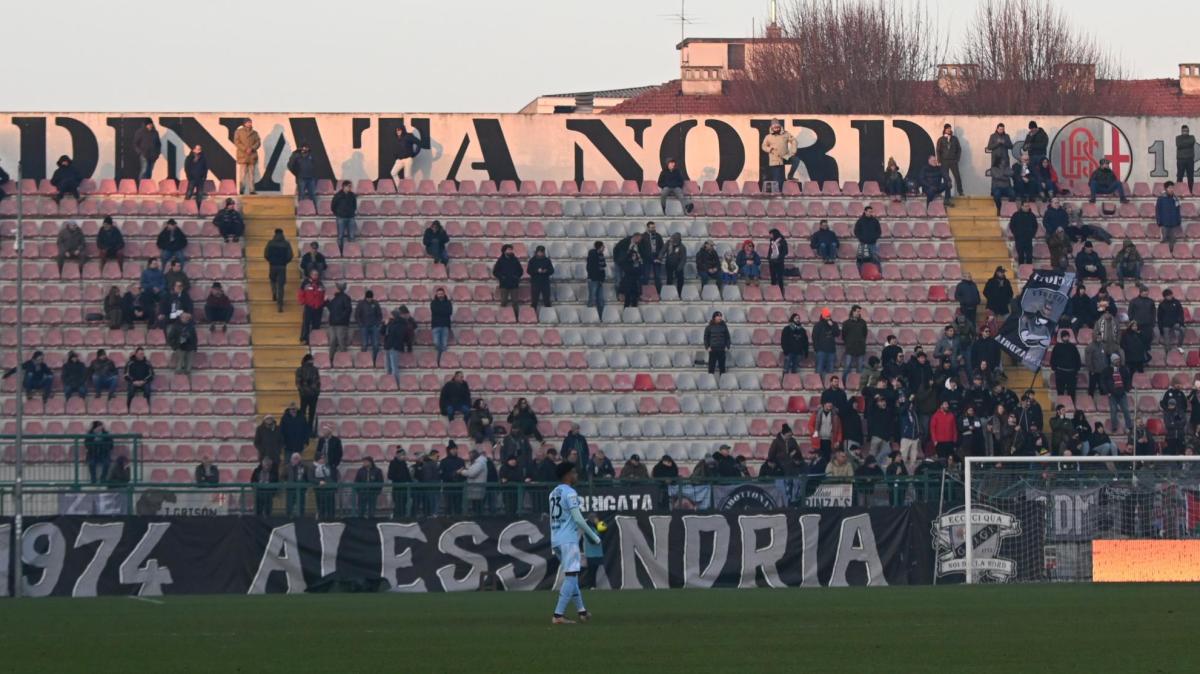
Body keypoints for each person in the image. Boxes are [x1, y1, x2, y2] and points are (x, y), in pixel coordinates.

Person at [549, 461, 602, 624]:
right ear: (567, 475)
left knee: (571, 577)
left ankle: (582, 611)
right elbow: (578, 519)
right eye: (574, 472)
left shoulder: (553, 493)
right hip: (568, 539)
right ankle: (558, 615)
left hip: (556, 539)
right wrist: (594, 536)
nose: (576, 475)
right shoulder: (570, 493)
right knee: (571, 576)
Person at [259, 229, 293, 313]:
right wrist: (285, 262)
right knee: (281, 286)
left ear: (275, 234)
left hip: (273, 266)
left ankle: (274, 292)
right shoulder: (286, 243)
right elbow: (290, 256)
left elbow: (266, 254)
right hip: (282, 267)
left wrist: (271, 261)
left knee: (272, 280)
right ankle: (280, 305)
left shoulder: (270, 243)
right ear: (282, 234)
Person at [1101, 353, 1134, 434]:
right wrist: (1107, 391)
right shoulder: (1107, 370)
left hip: (1122, 393)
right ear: (1112, 361)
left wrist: (1127, 388)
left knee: (1126, 410)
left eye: (1118, 359)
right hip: (1112, 394)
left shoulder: (1123, 369)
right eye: (1116, 360)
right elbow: (1103, 381)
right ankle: (1114, 427)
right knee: (1113, 411)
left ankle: (1129, 425)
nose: (1118, 361)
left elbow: (1127, 379)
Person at [761, 119, 795, 192]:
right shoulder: (768, 137)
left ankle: (790, 176)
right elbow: (763, 146)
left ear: (780, 126)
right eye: (774, 127)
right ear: (772, 127)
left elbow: (794, 141)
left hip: (785, 157)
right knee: (778, 179)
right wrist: (770, 149)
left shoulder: (786, 134)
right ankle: (779, 193)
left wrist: (792, 151)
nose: (776, 128)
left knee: (796, 161)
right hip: (775, 160)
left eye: (777, 127)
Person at [326, 180, 359, 254]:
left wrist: (352, 212)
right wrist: (338, 213)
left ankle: (351, 252)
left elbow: (354, 205)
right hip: (341, 217)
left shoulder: (352, 195)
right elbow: (333, 206)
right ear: (344, 186)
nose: (350, 188)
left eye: (351, 186)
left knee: (352, 236)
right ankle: (340, 252)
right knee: (340, 236)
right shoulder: (338, 195)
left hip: (351, 217)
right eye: (349, 186)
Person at [493, 244, 524, 321]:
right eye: (508, 250)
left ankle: (516, 318)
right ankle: (502, 318)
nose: (510, 251)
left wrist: (516, 277)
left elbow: (521, 271)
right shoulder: (500, 260)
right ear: (504, 251)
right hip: (504, 285)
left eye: (511, 249)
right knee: (503, 302)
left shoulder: (515, 260)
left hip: (514, 284)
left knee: (515, 302)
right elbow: (495, 272)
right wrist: (502, 277)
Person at [353, 289, 384, 366]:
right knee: (364, 344)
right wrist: (361, 325)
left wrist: (377, 324)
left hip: (374, 326)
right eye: (368, 298)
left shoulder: (375, 303)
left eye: (370, 298)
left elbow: (379, 315)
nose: (369, 299)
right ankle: (363, 361)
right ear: (366, 297)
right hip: (364, 327)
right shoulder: (361, 304)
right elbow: (357, 315)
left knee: (376, 344)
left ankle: (375, 360)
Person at [297, 270, 325, 345]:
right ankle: (304, 339)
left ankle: (314, 340)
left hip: (318, 308)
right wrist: (303, 302)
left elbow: (323, 295)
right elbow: (301, 293)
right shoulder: (305, 283)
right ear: (311, 275)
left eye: (317, 275)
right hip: (309, 307)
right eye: (314, 274)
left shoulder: (320, 284)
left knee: (316, 325)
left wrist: (322, 303)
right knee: (306, 324)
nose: (316, 276)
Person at [294, 353, 321, 431]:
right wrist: (315, 391)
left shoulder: (313, 369)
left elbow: (317, 382)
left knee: (308, 412)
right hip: (308, 394)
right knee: (306, 412)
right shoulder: (301, 370)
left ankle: (307, 428)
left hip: (309, 394)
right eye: (311, 359)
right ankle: (306, 428)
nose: (312, 361)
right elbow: (298, 383)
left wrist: (316, 392)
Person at [812, 308, 840, 384]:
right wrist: (817, 349)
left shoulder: (834, 324)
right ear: (823, 316)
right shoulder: (818, 325)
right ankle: (818, 384)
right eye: (827, 316)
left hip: (831, 351)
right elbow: (814, 338)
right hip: (821, 351)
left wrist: (832, 326)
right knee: (819, 369)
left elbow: (837, 334)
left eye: (829, 316)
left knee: (830, 370)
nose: (828, 317)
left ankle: (829, 385)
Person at [234, 119, 261, 195]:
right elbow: (237, 142)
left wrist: (252, 148)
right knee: (242, 175)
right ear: (244, 123)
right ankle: (241, 190)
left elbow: (258, 142)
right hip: (243, 156)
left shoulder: (255, 133)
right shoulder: (239, 132)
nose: (250, 124)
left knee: (251, 175)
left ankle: (252, 190)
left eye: (250, 122)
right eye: (248, 122)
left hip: (252, 156)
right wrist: (245, 149)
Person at [325, 282, 353, 357]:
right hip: (334, 323)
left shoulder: (345, 298)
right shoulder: (336, 298)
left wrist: (341, 318)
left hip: (340, 324)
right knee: (333, 342)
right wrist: (326, 301)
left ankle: (343, 359)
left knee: (341, 342)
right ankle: (331, 359)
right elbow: (331, 308)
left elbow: (348, 310)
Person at [936, 124, 963, 196]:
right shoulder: (941, 139)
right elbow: (938, 150)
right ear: (945, 129)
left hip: (953, 161)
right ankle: (948, 195)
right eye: (947, 129)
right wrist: (939, 160)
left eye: (950, 129)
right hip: (944, 161)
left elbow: (959, 149)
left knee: (957, 176)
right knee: (946, 178)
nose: (949, 130)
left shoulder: (954, 139)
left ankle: (960, 192)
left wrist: (957, 159)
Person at [1008, 201, 1039, 265]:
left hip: (1028, 239)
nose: (1027, 207)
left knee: (1029, 257)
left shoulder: (1032, 215)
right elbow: (1012, 225)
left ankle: (1029, 270)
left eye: (1028, 206)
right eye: (1025, 206)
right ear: (1022, 206)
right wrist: (1016, 234)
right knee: (1021, 256)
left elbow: (1035, 226)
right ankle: (1021, 269)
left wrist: (1032, 234)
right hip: (1019, 239)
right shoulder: (1016, 215)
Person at [1158, 288, 1186, 355]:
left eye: (1170, 295)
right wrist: (1161, 328)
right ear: (1165, 297)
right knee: (1166, 336)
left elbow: (1181, 313)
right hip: (1166, 324)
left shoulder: (1177, 302)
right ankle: (1168, 351)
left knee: (1183, 329)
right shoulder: (1162, 304)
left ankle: (1179, 345)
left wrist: (1181, 322)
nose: (1170, 296)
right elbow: (1159, 317)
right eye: (1168, 296)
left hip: (1175, 323)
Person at [1157, 180, 1183, 252]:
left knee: (1173, 241)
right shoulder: (1161, 198)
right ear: (1166, 189)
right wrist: (1159, 222)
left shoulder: (1175, 198)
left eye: (1172, 188)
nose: (1172, 189)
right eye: (1170, 188)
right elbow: (1158, 211)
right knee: (1163, 241)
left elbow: (1178, 210)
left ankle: (1171, 253)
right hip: (1164, 224)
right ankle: (1163, 254)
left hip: (1173, 223)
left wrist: (1178, 220)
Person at [527, 245, 555, 312]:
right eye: (539, 252)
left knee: (547, 300)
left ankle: (548, 314)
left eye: (542, 252)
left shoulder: (547, 260)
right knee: (534, 301)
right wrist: (537, 271)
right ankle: (533, 314)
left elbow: (552, 271)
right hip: (535, 282)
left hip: (545, 282)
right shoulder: (532, 260)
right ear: (536, 252)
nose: (540, 253)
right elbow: (529, 271)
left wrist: (546, 271)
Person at [639, 221, 665, 292]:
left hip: (657, 258)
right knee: (645, 276)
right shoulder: (643, 236)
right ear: (647, 228)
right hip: (647, 259)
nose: (653, 229)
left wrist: (659, 258)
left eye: (654, 227)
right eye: (652, 227)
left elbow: (662, 248)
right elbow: (641, 250)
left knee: (658, 277)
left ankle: (659, 292)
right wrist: (651, 259)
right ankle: (644, 292)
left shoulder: (658, 236)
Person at [704, 311, 731, 377]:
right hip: (713, 350)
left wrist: (727, 346)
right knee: (711, 368)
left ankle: (723, 381)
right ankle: (710, 381)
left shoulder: (724, 327)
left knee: (722, 368)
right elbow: (705, 338)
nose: (720, 317)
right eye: (718, 316)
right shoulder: (709, 327)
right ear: (714, 317)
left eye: (720, 316)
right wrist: (707, 347)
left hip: (722, 349)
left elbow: (728, 337)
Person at [387, 447, 412, 518]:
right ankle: (397, 517)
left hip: (405, 488)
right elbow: (390, 475)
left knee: (404, 503)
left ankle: (403, 517)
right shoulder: (393, 463)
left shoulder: (404, 463)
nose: (403, 456)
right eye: (402, 454)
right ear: (397, 455)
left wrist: (409, 481)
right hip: (397, 487)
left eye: (404, 454)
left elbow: (407, 475)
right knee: (398, 503)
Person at [430, 287, 453, 365]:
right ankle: (438, 359)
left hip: (445, 326)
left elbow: (449, 312)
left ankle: (441, 361)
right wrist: (444, 311)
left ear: (444, 294)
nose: (440, 295)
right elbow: (435, 311)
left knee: (444, 344)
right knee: (436, 343)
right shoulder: (433, 303)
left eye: (441, 294)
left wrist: (440, 311)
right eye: (439, 294)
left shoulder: (448, 302)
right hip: (436, 325)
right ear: (436, 294)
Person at [312, 453, 337, 520]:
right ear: (317, 459)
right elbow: (311, 478)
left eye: (324, 458)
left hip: (329, 490)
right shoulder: (313, 467)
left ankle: (331, 519)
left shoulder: (328, 466)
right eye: (321, 458)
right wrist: (319, 482)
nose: (323, 459)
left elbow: (332, 476)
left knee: (330, 506)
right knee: (321, 506)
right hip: (320, 490)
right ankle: (321, 519)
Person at [464, 449, 489, 514]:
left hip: (477, 488)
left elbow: (471, 473)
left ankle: (479, 517)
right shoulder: (477, 462)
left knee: (478, 507)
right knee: (476, 506)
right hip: (475, 488)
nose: (469, 457)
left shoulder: (479, 463)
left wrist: (462, 472)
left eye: (470, 455)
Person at [284, 453, 310, 518]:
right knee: (289, 503)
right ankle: (289, 516)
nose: (296, 460)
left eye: (297, 458)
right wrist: (286, 482)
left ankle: (301, 516)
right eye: (294, 458)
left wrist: (305, 486)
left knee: (301, 504)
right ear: (291, 459)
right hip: (290, 489)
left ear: (300, 459)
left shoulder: (304, 467)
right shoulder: (287, 467)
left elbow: (307, 477)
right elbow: (282, 476)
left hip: (301, 489)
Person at [662, 233, 686, 297]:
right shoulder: (668, 243)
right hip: (669, 264)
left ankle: (679, 293)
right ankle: (669, 293)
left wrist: (679, 268)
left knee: (680, 279)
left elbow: (683, 259)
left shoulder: (682, 247)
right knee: (669, 279)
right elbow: (663, 251)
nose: (673, 242)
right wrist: (659, 258)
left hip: (678, 265)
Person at [586, 241, 607, 311]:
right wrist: (591, 277)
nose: (604, 247)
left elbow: (603, 267)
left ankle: (601, 316)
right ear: (600, 247)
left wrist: (602, 279)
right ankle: (589, 315)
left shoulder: (601, 255)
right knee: (592, 299)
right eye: (603, 246)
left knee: (600, 300)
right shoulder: (592, 254)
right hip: (593, 280)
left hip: (600, 280)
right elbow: (590, 267)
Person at [1177, 124, 1195, 192]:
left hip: (1190, 160)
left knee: (1190, 177)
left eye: (1187, 131)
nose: (1186, 132)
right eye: (1184, 131)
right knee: (1179, 176)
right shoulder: (1178, 138)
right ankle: (1179, 191)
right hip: (1180, 160)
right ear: (1181, 131)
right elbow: (1179, 145)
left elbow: (1192, 142)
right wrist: (1187, 144)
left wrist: (1183, 143)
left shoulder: (1192, 137)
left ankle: (1190, 192)